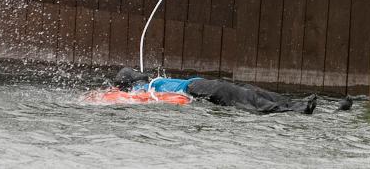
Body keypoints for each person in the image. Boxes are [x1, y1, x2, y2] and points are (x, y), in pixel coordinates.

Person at [110, 67, 352, 114]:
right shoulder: (144, 88)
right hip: (195, 88)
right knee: (243, 97)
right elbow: (128, 77)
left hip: (200, 84)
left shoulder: (151, 83)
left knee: (251, 89)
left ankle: (299, 103)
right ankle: (296, 109)